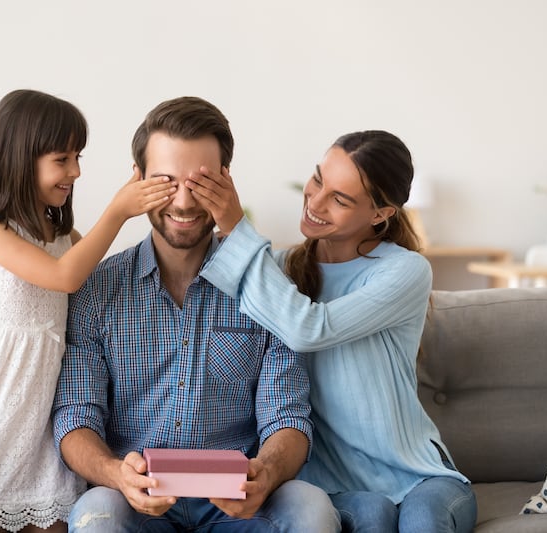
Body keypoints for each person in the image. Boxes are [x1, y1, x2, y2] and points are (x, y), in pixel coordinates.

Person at [51, 96, 340, 533]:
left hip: (238, 503)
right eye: (166, 181)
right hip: (135, 500)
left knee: (312, 510)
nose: (183, 202)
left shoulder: (266, 290)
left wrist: (266, 472)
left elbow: (288, 416)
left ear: (226, 180)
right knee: (98, 518)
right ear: (138, 179)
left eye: (201, 183)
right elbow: (75, 415)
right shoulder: (97, 290)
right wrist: (116, 475)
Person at [185, 130, 478, 532]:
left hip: (417, 476)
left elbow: (308, 328)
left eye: (340, 199)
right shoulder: (282, 269)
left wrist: (237, 226)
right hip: (334, 485)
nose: (315, 201)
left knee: (422, 522)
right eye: (318, 179)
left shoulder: (403, 270)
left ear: (380, 214)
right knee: (371, 517)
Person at [0, 89, 175, 533]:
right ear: (19, 158)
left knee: (52, 517)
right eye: (62, 159)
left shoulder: (62, 234)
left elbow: (100, 284)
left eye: (78, 157)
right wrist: (119, 211)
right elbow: (65, 277)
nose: (76, 172)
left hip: (37, 411)